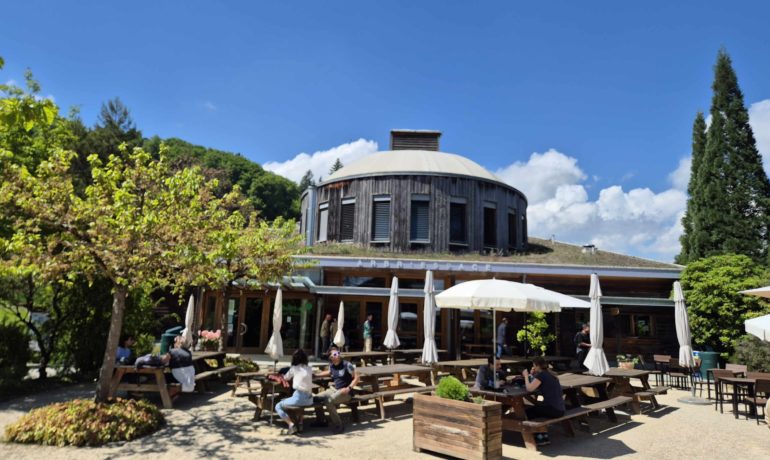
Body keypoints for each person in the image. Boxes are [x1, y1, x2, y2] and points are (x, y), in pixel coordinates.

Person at [313, 346, 360, 433]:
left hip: (346, 393)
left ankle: (339, 425)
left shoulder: (347, 364)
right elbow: (329, 372)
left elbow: (357, 377)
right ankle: (321, 420)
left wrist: (349, 388)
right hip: (334, 389)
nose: (337, 355)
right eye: (335, 354)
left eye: (338, 353)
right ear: (331, 357)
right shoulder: (332, 365)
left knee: (329, 401)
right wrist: (316, 375)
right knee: (315, 398)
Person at [522, 356, 565, 446]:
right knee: (537, 409)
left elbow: (529, 388)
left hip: (553, 410)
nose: (533, 367)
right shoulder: (551, 374)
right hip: (560, 409)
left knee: (527, 413)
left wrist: (526, 376)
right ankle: (543, 435)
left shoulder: (541, 375)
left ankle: (540, 438)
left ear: (537, 366)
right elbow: (537, 383)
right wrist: (532, 375)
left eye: (534, 365)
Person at [274, 349, 314, 435]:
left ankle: (291, 425)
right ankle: (300, 423)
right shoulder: (310, 369)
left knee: (278, 406)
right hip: (310, 399)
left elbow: (285, 378)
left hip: (299, 397)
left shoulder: (294, 368)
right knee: (300, 404)